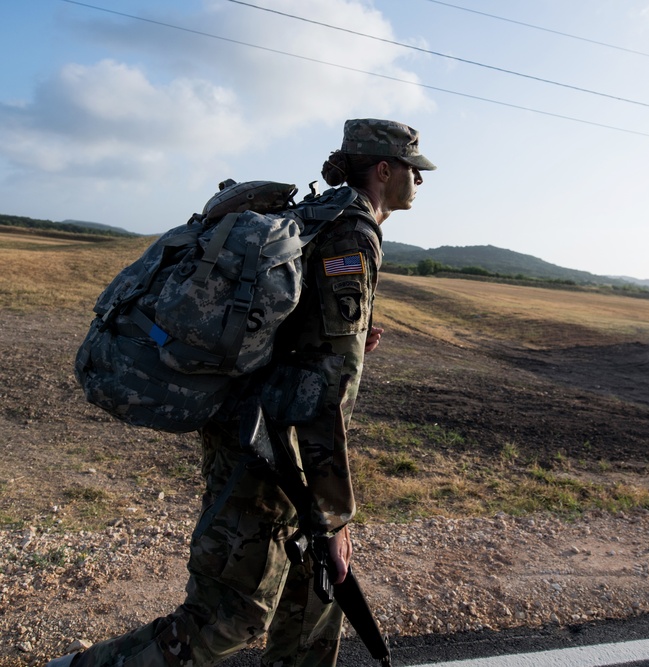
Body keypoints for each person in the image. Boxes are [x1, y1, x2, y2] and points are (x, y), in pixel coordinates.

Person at [47, 118, 436, 667]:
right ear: (384, 170)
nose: (421, 182)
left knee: (315, 590)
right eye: (414, 171)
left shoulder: (318, 215)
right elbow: (328, 392)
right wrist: (334, 518)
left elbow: (297, 338)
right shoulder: (352, 233)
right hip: (265, 446)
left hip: (260, 429)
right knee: (231, 613)